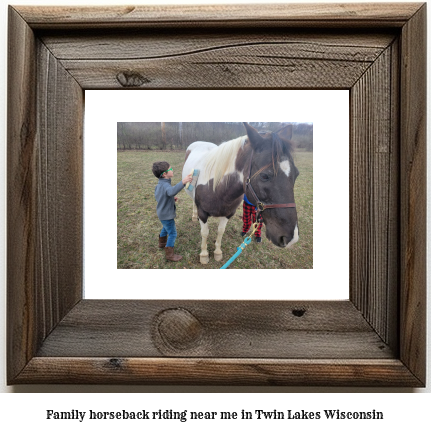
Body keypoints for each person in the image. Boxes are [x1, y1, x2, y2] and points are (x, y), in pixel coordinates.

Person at [152, 161, 193, 262]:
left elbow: (161, 195)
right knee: (173, 233)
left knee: (166, 228)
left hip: (162, 213)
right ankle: (169, 254)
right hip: (166, 215)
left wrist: (170, 198)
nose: (172, 170)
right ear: (165, 174)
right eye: (170, 169)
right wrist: (183, 182)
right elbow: (171, 191)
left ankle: (161, 244)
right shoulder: (166, 186)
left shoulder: (160, 184)